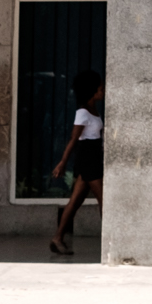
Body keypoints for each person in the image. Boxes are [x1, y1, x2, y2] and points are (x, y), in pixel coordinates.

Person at [47, 70, 104, 255]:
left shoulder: (94, 111)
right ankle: (112, 240)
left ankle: (57, 238)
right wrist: (63, 162)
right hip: (88, 159)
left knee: (75, 202)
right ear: (92, 90)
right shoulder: (82, 112)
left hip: (93, 157)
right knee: (104, 200)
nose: (103, 91)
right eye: (100, 88)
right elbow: (74, 139)